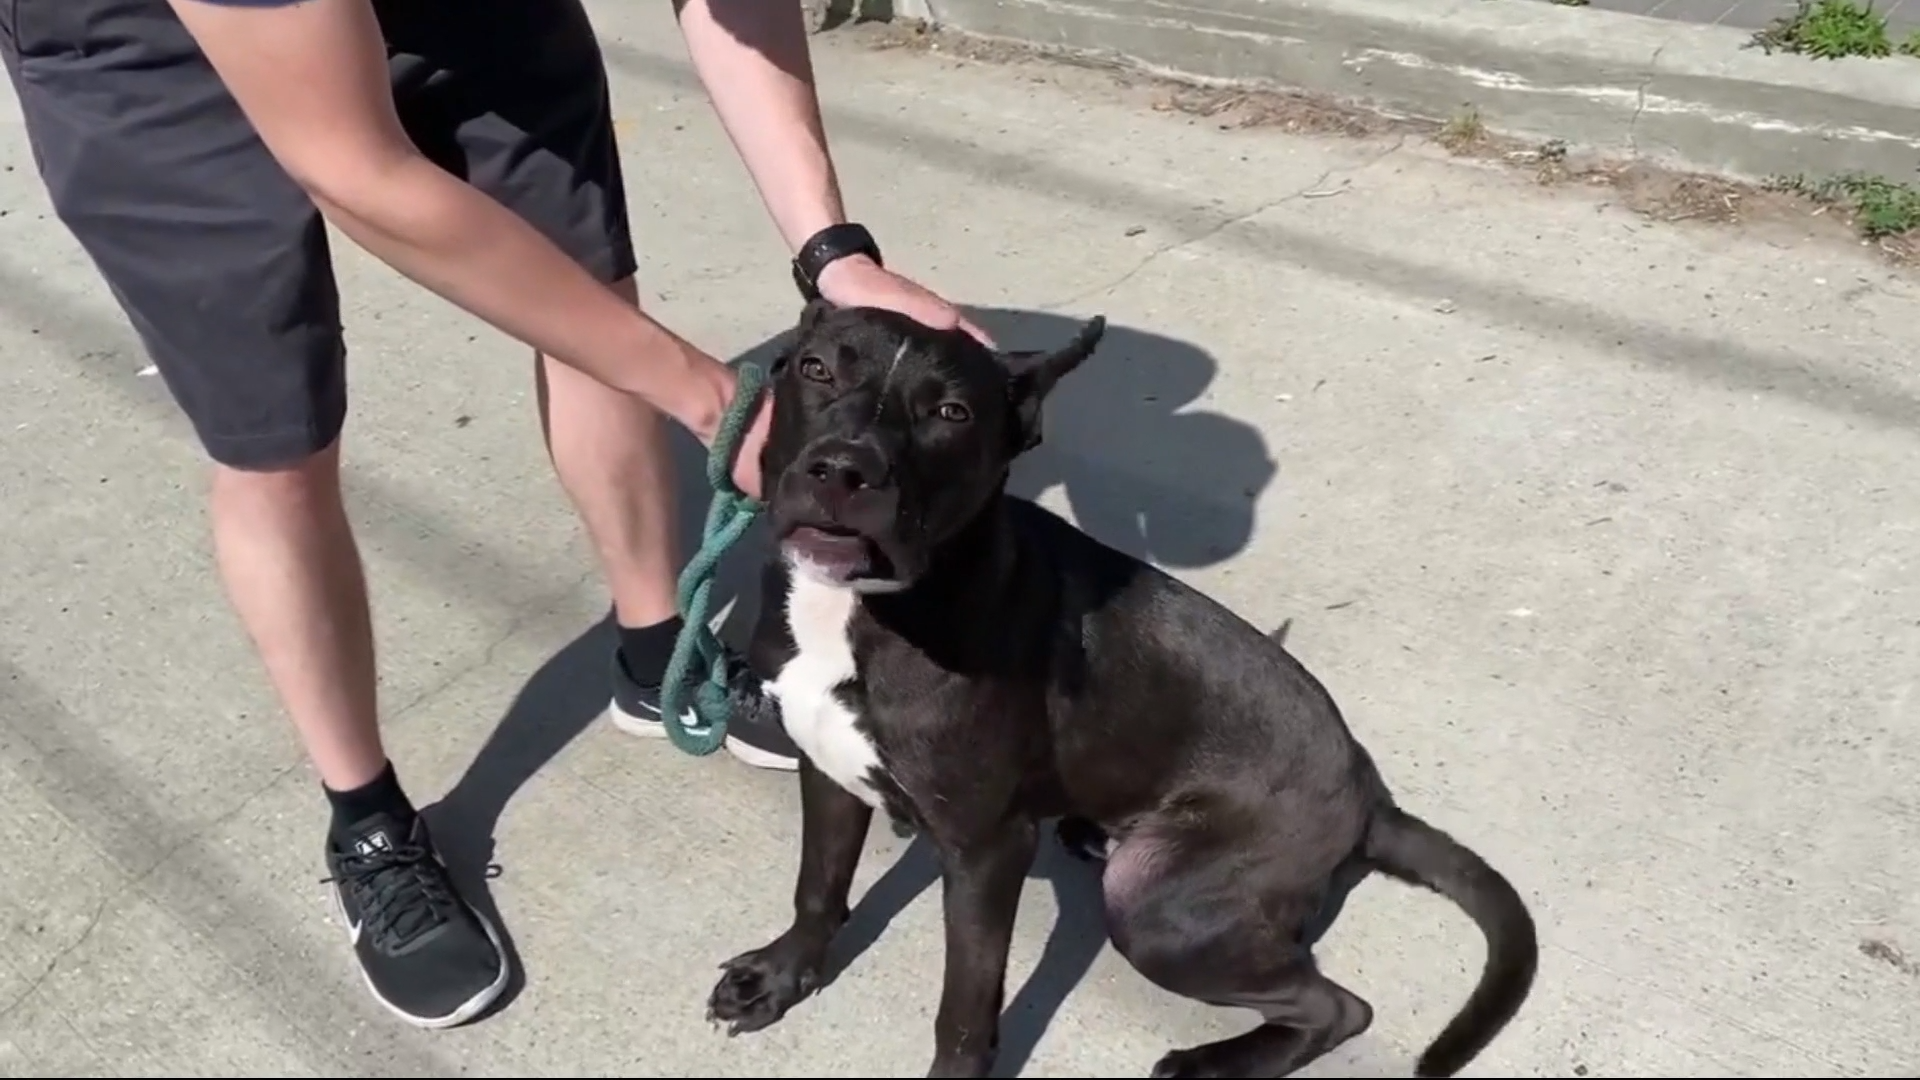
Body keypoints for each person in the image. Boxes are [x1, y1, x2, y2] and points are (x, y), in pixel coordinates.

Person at [0, 0, 987, 1031]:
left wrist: (833, 253)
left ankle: (658, 652)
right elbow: (353, 167)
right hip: (155, 47)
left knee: (588, 300)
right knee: (276, 438)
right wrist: (711, 400)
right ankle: (366, 819)